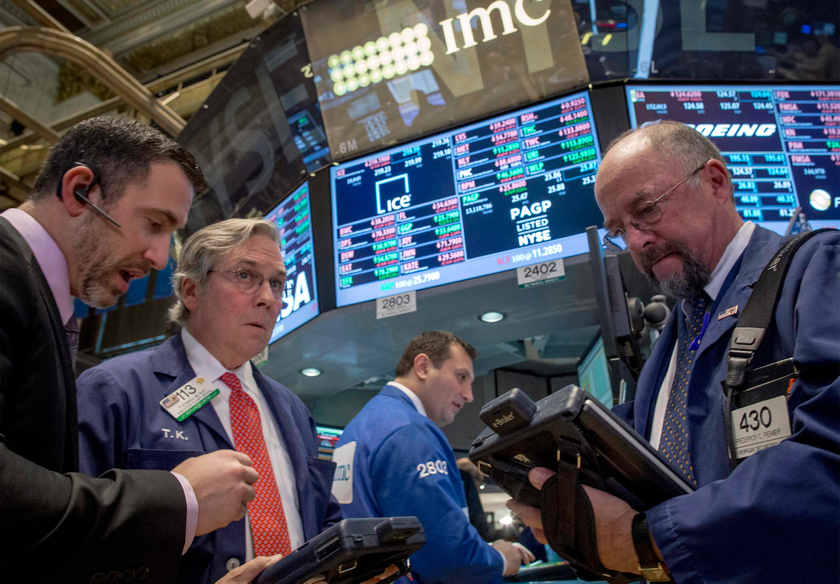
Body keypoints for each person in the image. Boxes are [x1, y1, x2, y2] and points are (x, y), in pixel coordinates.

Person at [509, 121, 840, 583]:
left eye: (646, 210)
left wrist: (647, 539)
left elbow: (829, 459)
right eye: (619, 229)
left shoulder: (817, 270)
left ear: (716, 182)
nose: (637, 242)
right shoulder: (672, 343)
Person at [0, 116, 261, 583]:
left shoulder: (45, 302)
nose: (161, 258)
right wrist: (178, 498)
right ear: (80, 190)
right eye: (154, 225)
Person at [76, 218, 343, 583]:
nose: (268, 297)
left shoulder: (293, 410)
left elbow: (320, 519)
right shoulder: (113, 390)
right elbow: (72, 548)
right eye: (245, 276)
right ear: (191, 291)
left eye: (277, 282)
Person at [332, 331, 534, 583]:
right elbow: (446, 557)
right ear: (423, 367)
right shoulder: (410, 430)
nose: (469, 395)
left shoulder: (360, 426)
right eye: (461, 377)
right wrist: (500, 559)